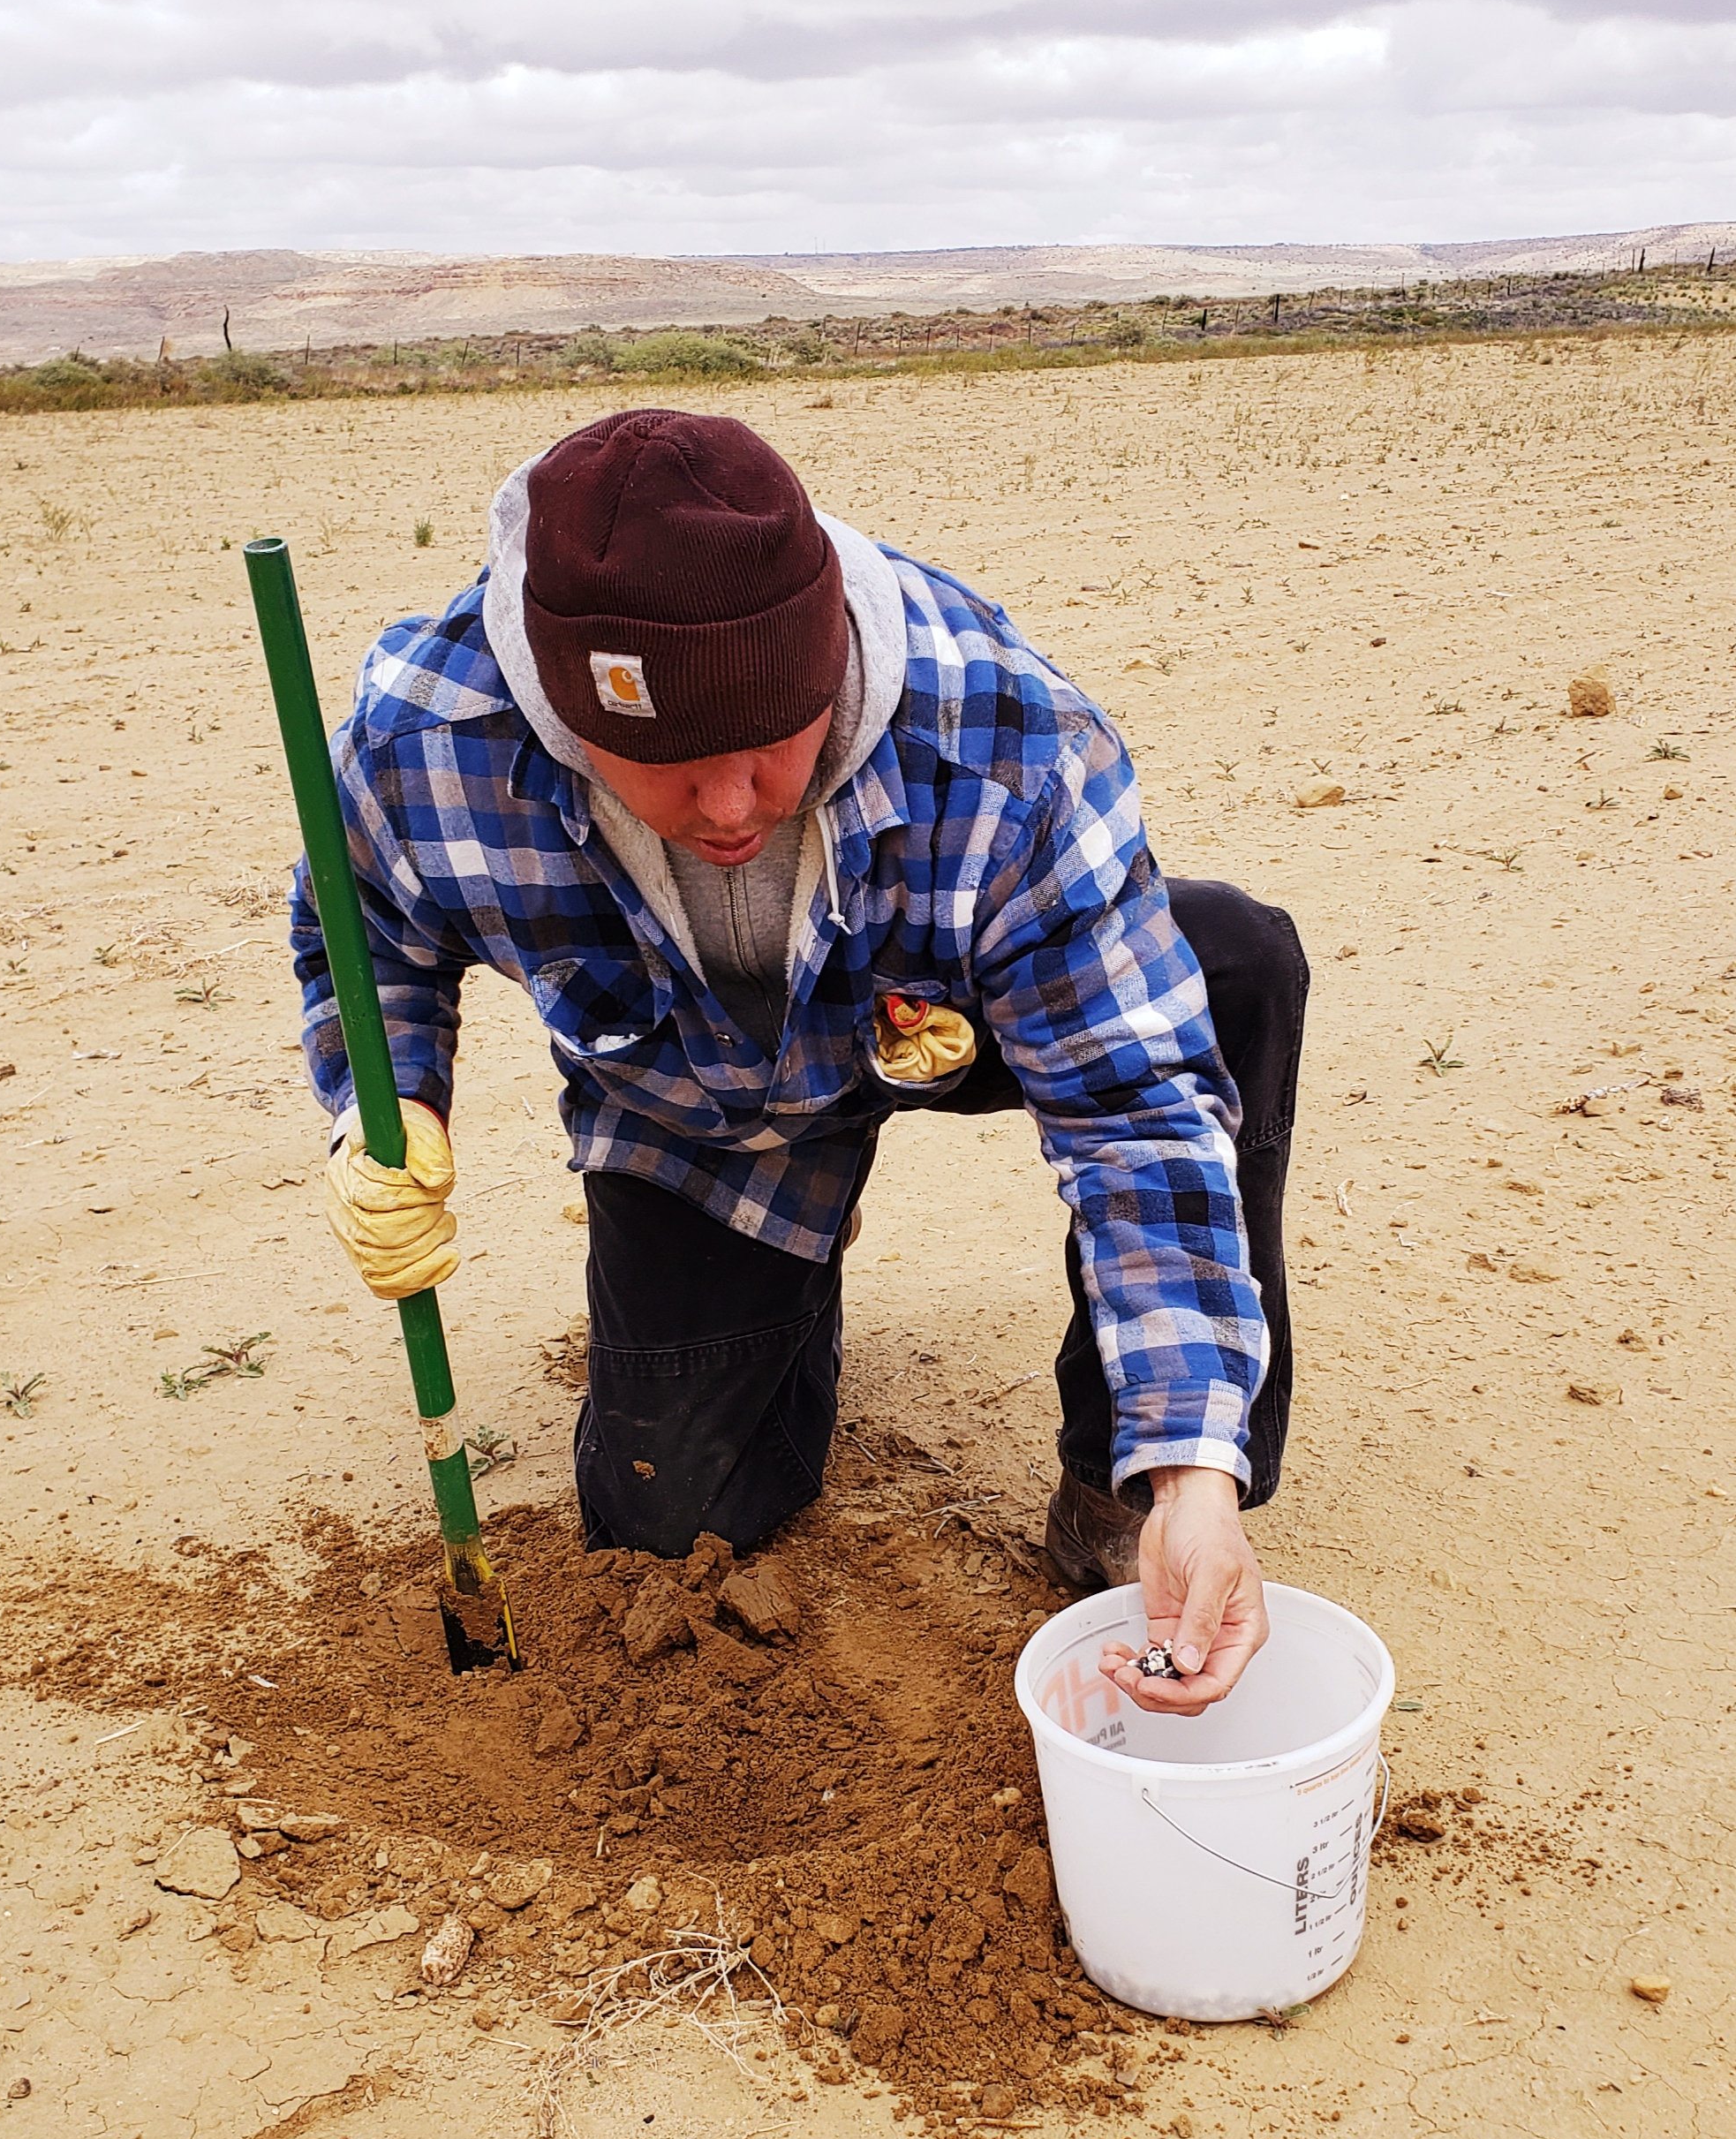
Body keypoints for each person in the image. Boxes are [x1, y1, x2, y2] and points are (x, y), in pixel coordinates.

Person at [293, 409, 1306, 1715]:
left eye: (771, 749)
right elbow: (360, 933)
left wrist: (1189, 1480)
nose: (727, 810)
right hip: (704, 1117)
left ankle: (1124, 1470)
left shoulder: (1005, 736)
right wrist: (389, 1111)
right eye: (663, 765)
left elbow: (1131, 1110)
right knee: (671, 1531)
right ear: (556, 710)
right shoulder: (425, 740)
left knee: (1222, 965)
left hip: (948, 1014)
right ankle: (781, 1285)